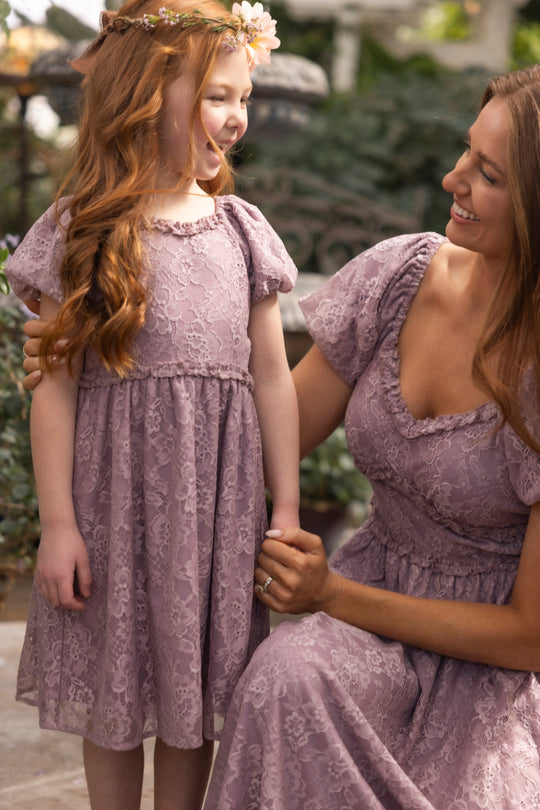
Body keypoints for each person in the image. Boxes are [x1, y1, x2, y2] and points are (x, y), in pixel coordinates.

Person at [19, 62, 540, 810]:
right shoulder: (400, 277)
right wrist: (103, 354)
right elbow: (250, 431)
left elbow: (530, 634)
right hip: (365, 627)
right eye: (467, 149)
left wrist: (333, 593)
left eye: (487, 174)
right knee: (282, 676)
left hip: (489, 668)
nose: (452, 178)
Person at [5, 3, 299, 810]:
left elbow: (272, 377)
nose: (236, 118)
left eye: (243, 98)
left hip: (216, 514)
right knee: (115, 683)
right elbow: (55, 385)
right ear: (146, 97)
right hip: (113, 510)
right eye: (216, 97)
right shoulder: (85, 231)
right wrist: (58, 524)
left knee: (191, 692)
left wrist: (285, 507)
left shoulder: (242, 232)